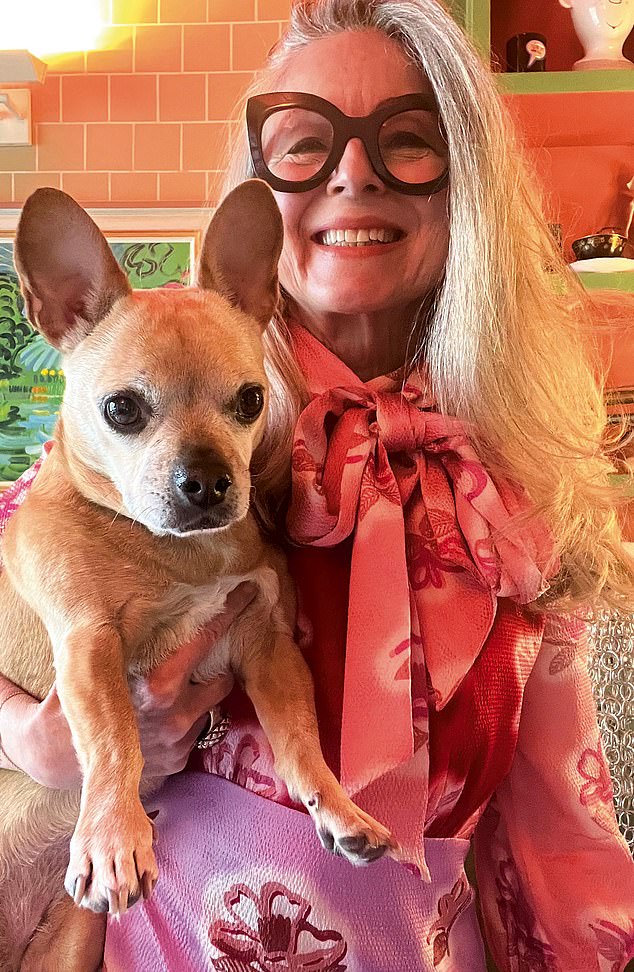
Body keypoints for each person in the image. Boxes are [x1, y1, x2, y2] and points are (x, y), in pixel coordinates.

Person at [1, 0, 633, 969]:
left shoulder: (510, 488)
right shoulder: (128, 443)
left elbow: (559, 823)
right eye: (303, 143)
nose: (352, 172)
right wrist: (33, 743)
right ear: (258, 188)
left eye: (408, 141)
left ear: (467, 182)